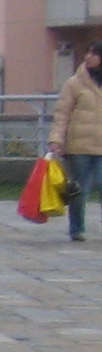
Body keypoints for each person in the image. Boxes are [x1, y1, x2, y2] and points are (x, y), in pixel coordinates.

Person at [53, 40, 102, 242]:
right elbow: (62, 113)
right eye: (88, 52)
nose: (88, 57)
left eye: (94, 53)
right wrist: (56, 139)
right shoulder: (74, 83)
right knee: (79, 190)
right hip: (79, 147)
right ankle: (77, 228)